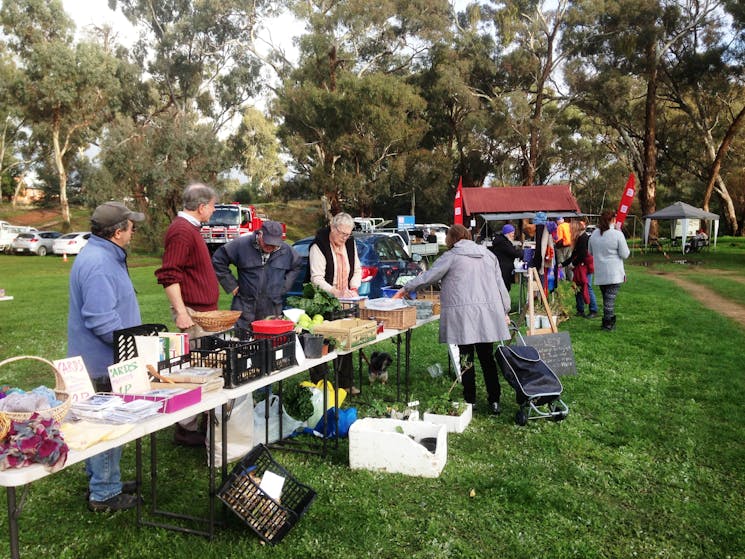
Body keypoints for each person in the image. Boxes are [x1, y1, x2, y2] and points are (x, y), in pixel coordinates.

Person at [67, 201, 145, 512]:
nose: (133, 231)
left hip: (104, 357)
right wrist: (130, 348)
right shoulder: (99, 262)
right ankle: (104, 493)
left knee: (102, 424)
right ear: (117, 232)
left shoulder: (103, 254)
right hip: (102, 361)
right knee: (107, 424)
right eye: (130, 226)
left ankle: (105, 478)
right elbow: (100, 318)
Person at [393, 224, 511, 414]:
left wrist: (406, 287)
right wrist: (505, 309)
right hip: (487, 313)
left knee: (466, 358)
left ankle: (470, 399)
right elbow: (501, 285)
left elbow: (429, 277)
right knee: (487, 358)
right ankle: (494, 400)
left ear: (451, 239)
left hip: (463, 315)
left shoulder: (451, 256)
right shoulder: (488, 255)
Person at [154, 183, 220, 445]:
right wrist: (182, 312)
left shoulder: (190, 229)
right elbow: (169, 274)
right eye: (213, 206)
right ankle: (186, 428)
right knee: (195, 370)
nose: (214, 211)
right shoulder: (182, 231)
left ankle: (197, 422)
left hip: (202, 311)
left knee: (206, 367)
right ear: (202, 207)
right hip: (193, 313)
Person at [212, 221, 302, 329]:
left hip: (272, 307)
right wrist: (231, 284)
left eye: (274, 244)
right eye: (267, 242)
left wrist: (284, 286)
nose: (270, 246)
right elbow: (218, 260)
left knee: (269, 342)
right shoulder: (241, 244)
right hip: (245, 306)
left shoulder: (286, 250)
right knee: (242, 342)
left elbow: (297, 265)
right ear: (260, 234)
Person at [308, 212, 361, 394]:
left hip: (345, 302)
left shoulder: (350, 243)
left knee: (345, 342)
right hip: (322, 303)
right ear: (332, 227)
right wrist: (334, 291)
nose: (345, 238)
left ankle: (345, 384)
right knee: (322, 343)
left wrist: (353, 287)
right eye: (342, 234)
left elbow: (357, 270)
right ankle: (320, 386)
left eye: (348, 235)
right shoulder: (318, 247)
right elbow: (316, 278)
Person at [588, 210, 630, 331]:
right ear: (613, 220)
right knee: (609, 299)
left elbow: (590, 251)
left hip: (600, 272)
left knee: (607, 298)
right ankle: (608, 322)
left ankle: (607, 321)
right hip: (614, 272)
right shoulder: (617, 234)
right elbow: (625, 254)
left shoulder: (594, 234)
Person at [563, 221, 598, 318]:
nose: (570, 231)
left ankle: (593, 309)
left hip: (585, 267)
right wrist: (563, 264)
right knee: (578, 288)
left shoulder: (583, 238)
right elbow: (575, 254)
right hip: (581, 266)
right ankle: (580, 309)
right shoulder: (580, 238)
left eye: (571, 229)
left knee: (587, 287)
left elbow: (581, 255)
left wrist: (573, 264)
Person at [489, 223, 524, 292]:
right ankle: (504, 302)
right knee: (504, 288)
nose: (513, 235)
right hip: (504, 269)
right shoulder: (504, 242)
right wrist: (523, 252)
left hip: (502, 267)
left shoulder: (502, 241)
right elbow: (514, 253)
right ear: (507, 233)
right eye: (512, 233)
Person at [554, 216, 573, 281]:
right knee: (569, 262)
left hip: (561, 247)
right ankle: (571, 278)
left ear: (558, 221)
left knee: (561, 263)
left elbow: (559, 239)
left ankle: (563, 279)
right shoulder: (568, 225)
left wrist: (556, 245)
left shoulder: (559, 227)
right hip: (570, 245)